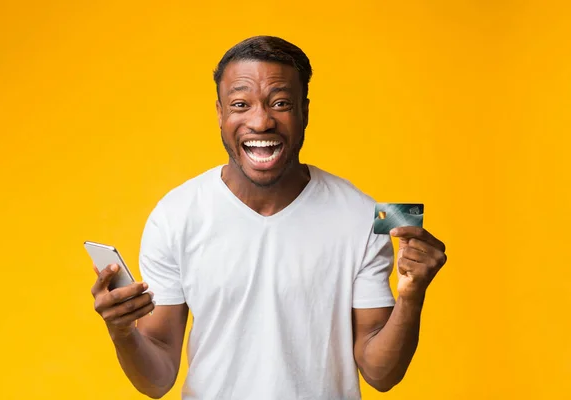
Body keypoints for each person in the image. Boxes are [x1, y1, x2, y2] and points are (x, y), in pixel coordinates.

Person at [90, 35, 448, 400]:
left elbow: (381, 374)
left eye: (280, 103)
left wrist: (412, 296)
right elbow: (156, 380)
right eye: (241, 104)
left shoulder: (362, 215)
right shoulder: (175, 215)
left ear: (304, 111)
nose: (261, 122)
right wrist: (122, 332)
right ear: (219, 112)